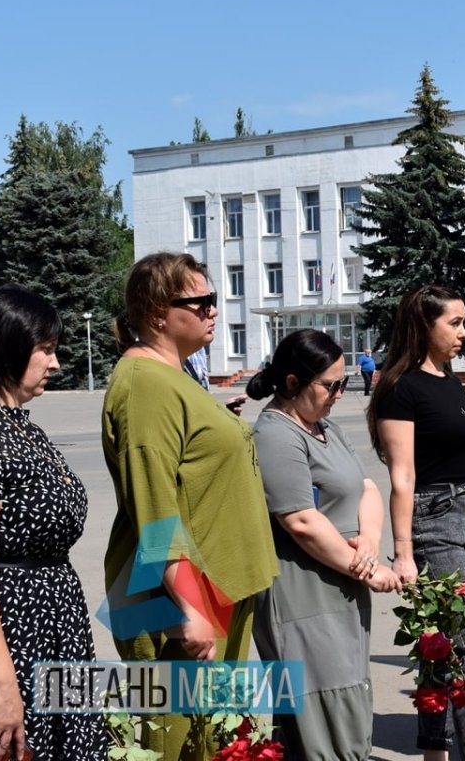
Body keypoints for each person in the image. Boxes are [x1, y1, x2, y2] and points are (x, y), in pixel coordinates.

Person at [102, 252, 278, 761]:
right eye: (199, 302)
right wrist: (190, 609)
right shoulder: (144, 386)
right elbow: (153, 511)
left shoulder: (173, 376)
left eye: (213, 300)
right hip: (185, 600)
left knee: (217, 739)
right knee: (179, 745)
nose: (212, 311)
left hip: (220, 584)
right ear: (158, 313)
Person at [0, 285, 108, 761]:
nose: (55, 364)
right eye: (46, 350)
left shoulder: (17, 424)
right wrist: (3, 685)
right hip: (8, 641)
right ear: (5, 347)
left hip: (54, 627)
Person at [248, 329, 402, 760]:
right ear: (293, 382)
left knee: (345, 705)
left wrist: (368, 544)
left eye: (344, 382)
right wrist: (367, 568)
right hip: (302, 598)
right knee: (321, 721)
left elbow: (367, 488)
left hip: (341, 585)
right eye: (330, 385)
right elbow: (300, 521)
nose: (340, 393)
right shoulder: (277, 435)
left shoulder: (324, 428)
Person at [368, 285, 465, 761]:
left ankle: (433, 748)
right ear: (424, 326)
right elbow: (401, 478)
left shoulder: (448, 378)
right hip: (434, 519)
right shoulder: (401, 389)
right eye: (455, 323)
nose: (464, 333)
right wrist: (403, 552)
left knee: (442, 644)